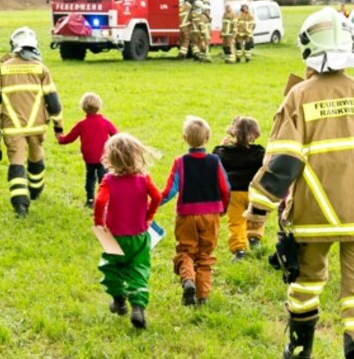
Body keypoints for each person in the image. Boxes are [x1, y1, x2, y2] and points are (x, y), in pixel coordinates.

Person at [243, 8, 354, 359]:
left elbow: (282, 163)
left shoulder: (299, 97)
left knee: (306, 282)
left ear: (308, 49)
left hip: (314, 216)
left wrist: (258, 209)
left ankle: (300, 347)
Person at [0, 27, 63, 218]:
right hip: (37, 126)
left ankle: (20, 205)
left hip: (12, 128)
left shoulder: (2, 70)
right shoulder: (41, 69)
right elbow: (54, 103)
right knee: (36, 156)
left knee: (16, 163)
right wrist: (58, 127)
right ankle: (35, 191)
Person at [94, 133, 162, 330]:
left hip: (114, 237)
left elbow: (99, 201)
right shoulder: (144, 178)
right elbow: (157, 196)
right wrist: (149, 216)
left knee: (111, 268)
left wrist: (99, 222)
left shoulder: (108, 180)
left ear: (111, 157)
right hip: (139, 236)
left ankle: (119, 300)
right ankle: (138, 308)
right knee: (139, 270)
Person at [160, 116, 230, 306]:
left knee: (186, 251)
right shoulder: (215, 161)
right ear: (207, 138)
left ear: (184, 138)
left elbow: (170, 191)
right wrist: (222, 208)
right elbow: (225, 187)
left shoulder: (180, 162)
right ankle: (203, 296)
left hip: (187, 216)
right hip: (211, 215)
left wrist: (153, 204)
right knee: (205, 255)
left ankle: (188, 280)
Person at [212, 116, 265, 260]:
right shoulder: (259, 152)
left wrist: (220, 146)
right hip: (254, 192)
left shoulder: (224, 152)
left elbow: (213, 160)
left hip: (234, 193)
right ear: (254, 134)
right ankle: (254, 238)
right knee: (256, 216)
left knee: (236, 222)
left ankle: (239, 249)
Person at [58, 92, 119, 208]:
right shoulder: (105, 123)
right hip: (103, 157)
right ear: (99, 106)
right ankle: (104, 201)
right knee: (104, 179)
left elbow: (69, 138)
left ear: (83, 108)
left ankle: (90, 200)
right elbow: (117, 136)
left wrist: (60, 138)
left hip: (89, 158)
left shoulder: (81, 124)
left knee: (90, 177)